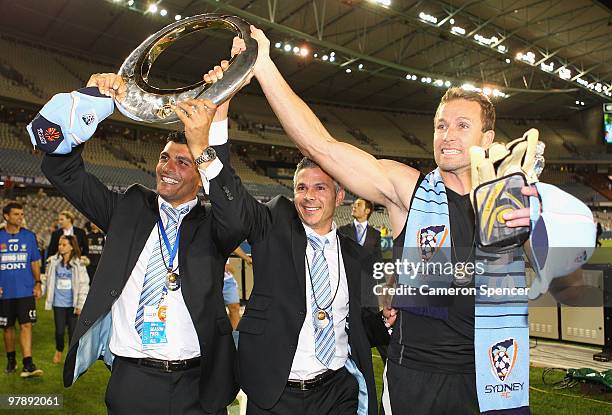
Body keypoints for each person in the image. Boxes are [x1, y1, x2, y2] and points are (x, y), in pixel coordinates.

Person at [230, 27, 595, 414]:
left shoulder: (510, 197)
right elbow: (320, 145)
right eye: (441, 125)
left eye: (462, 126)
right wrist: (265, 65)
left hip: (489, 375)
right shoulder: (410, 190)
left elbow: (569, 277)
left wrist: (538, 206)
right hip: (414, 376)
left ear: (487, 139)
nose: (447, 135)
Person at [28, 71, 244, 414]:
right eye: (164, 157)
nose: (167, 168)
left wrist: (209, 139)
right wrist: (92, 102)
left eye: (182, 162)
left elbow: (237, 214)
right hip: (132, 380)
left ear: (201, 177)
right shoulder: (128, 209)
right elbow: (63, 172)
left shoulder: (213, 224)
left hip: (198, 384)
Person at [186, 67, 390, 414]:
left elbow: (363, 324)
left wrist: (385, 318)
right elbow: (235, 209)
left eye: (320, 187)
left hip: (336, 392)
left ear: (339, 196)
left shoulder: (358, 256)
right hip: (275, 394)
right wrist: (211, 136)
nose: (308, 197)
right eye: (301, 188)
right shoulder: (274, 223)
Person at [338, 198, 386, 362]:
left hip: (368, 293)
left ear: (367, 211)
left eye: (358, 205)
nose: (353, 206)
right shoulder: (342, 231)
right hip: (348, 292)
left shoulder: (375, 234)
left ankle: (390, 364)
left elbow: (378, 262)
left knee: (377, 333)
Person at [0, 202, 43, 377]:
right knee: (7, 327)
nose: (20, 217)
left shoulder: (29, 236)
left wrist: (38, 282)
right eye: (16, 214)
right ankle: (11, 359)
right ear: (6, 216)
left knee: (26, 325)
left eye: (22, 214)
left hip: (25, 291)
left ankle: (28, 362)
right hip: (5, 292)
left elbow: (34, 262)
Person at [44, 234, 89, 364]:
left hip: (73, 304)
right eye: (59, 244)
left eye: (64, 245)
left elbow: (83, 285)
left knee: (73, 333)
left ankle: (72, 356)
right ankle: (59, 350)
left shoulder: (79, 264)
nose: (60, 247)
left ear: (71, 247)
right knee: (59, 332)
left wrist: (80, 305)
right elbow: (47, 280)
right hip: (58, 303)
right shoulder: (53, 262)